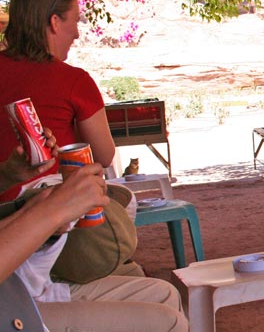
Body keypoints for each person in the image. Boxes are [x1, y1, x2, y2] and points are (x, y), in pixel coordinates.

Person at [0, 139, 188, 331]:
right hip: (10, 308)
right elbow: (105, 152)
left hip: (18, 285)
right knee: (168, 322)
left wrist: (7, 176)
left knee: (164, 294)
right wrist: (51, 212)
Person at [0, 0, 116, 202]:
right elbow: (104, 155)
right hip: (43, 211)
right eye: (75, 20)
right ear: (54, 22)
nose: (77, 33)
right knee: (124, 205)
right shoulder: (74, 81)